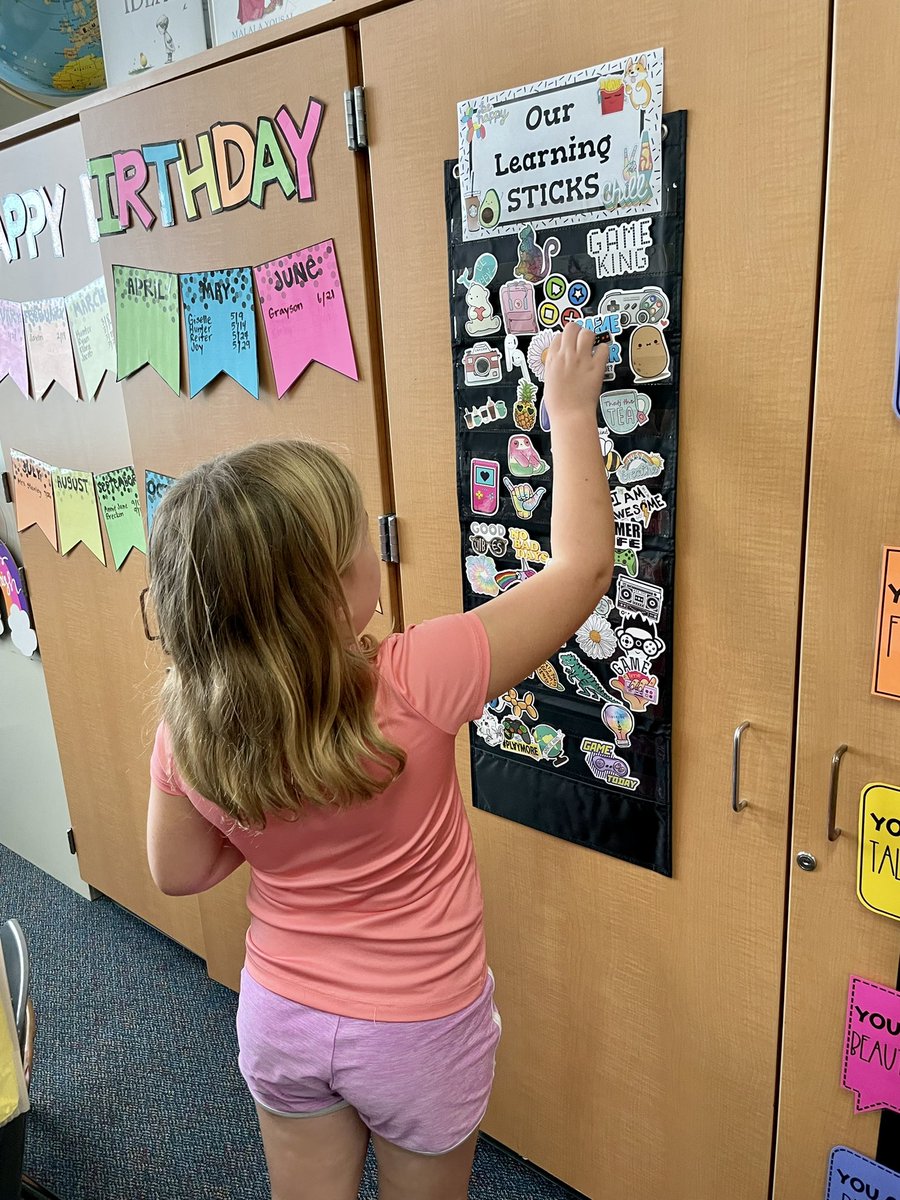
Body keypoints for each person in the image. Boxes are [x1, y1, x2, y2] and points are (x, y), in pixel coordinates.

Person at [145, 320, 613, 1200]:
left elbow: (177, 870)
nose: (376, 550)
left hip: (281, 1015)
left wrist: (277, 818)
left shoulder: (188, 725)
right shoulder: (417, 677)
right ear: (330, 591)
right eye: (361, 542)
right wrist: (567, 406)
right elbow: (584, 570)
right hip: (419, 1026)